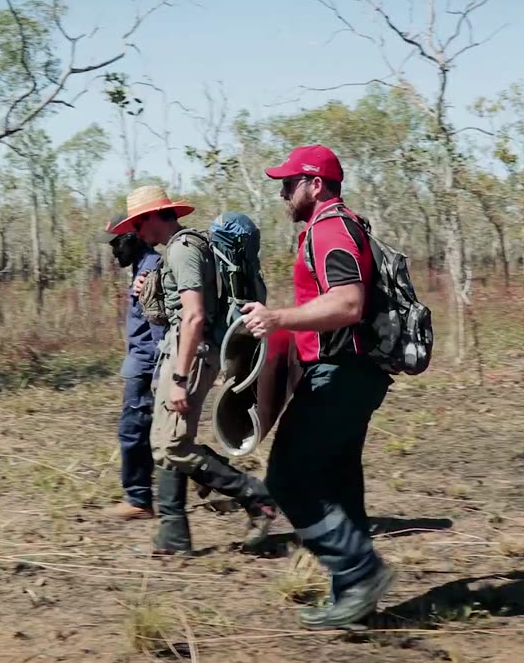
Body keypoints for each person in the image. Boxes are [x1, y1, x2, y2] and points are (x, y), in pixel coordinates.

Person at [240, 145, 395, 630]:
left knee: (288, 479)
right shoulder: (333, 226)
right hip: (350, 373)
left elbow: (348, 303)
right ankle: (354, 600)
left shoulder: (329, 226)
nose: (283, 192)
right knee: (338, 483)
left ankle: (361, 571)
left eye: (289, 183)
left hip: (341, 374)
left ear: (316, 184)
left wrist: (277, 317)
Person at [108, 185, 277, 555]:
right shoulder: (177, 249)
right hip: (182, 351)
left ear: (155, 217)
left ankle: (257, 496)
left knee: (172, 444)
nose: (135, 231)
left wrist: (181, 377)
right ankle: (173, 533)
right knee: (163, 442)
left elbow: (195, 314)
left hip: (192, 354)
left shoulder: (183, 249)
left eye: (138, 222)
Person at [100, 213, 166, 520]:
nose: (114, 252)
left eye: (116, 244)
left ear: (132, 238)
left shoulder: (151, 268)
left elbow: (159, 326)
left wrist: (164, 369)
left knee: (132, 430)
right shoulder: (142, 268)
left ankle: (138, 499)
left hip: (147, 363)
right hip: (142, 360)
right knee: (159, 434)